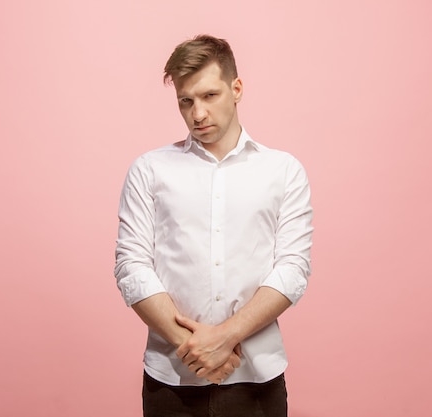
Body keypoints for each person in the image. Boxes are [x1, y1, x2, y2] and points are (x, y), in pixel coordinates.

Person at [114, 34, 313, 417]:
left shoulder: (283, 171)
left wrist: (224, 339)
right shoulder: (150, 169)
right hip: (170, 379)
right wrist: (193, 348)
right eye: (185, 102)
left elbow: (293, 269)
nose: (197, 114)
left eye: (209, 96)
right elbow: (131, 266)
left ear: (236, 88)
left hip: (257, 377)